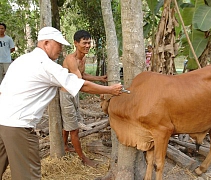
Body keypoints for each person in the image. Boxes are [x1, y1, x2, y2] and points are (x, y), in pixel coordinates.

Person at [0, 26, 122, 180]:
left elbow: (2, 91)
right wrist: (111, 90)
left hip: (2, 121)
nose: (61, 49)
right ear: (46, 43)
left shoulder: (21, 61)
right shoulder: (46, 65)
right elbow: (80, 84)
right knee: (28, 175)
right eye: (59, 45)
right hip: (19, 127)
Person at [60, 30, 107, 167]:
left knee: (68, 123)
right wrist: (101, 91)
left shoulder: (83, 58)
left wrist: (100, 79)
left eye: (89, 43)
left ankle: (65, 146)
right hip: (66, 95)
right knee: (74, 128)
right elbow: (80, 82)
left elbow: (83, 75)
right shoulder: (71, 59)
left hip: (74, 94)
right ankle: (83, 159)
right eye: (84, 43)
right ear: (75, 43)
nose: (87, 46)